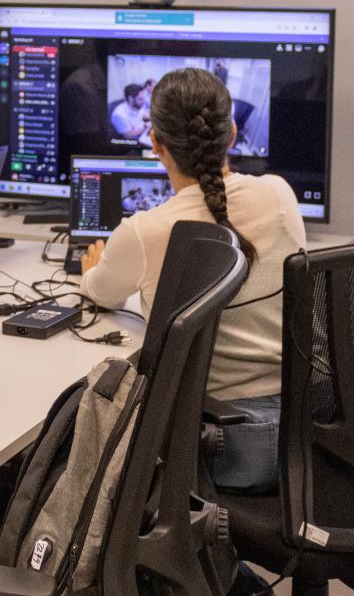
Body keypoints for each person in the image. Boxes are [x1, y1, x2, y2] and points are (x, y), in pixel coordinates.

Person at [81, 67, 306, 496]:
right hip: (305, 435)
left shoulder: (146, 230)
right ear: (233, 132)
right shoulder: (280, 195)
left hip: (223, 448)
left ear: (155, 143)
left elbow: (100, 292)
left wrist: (89, 270)